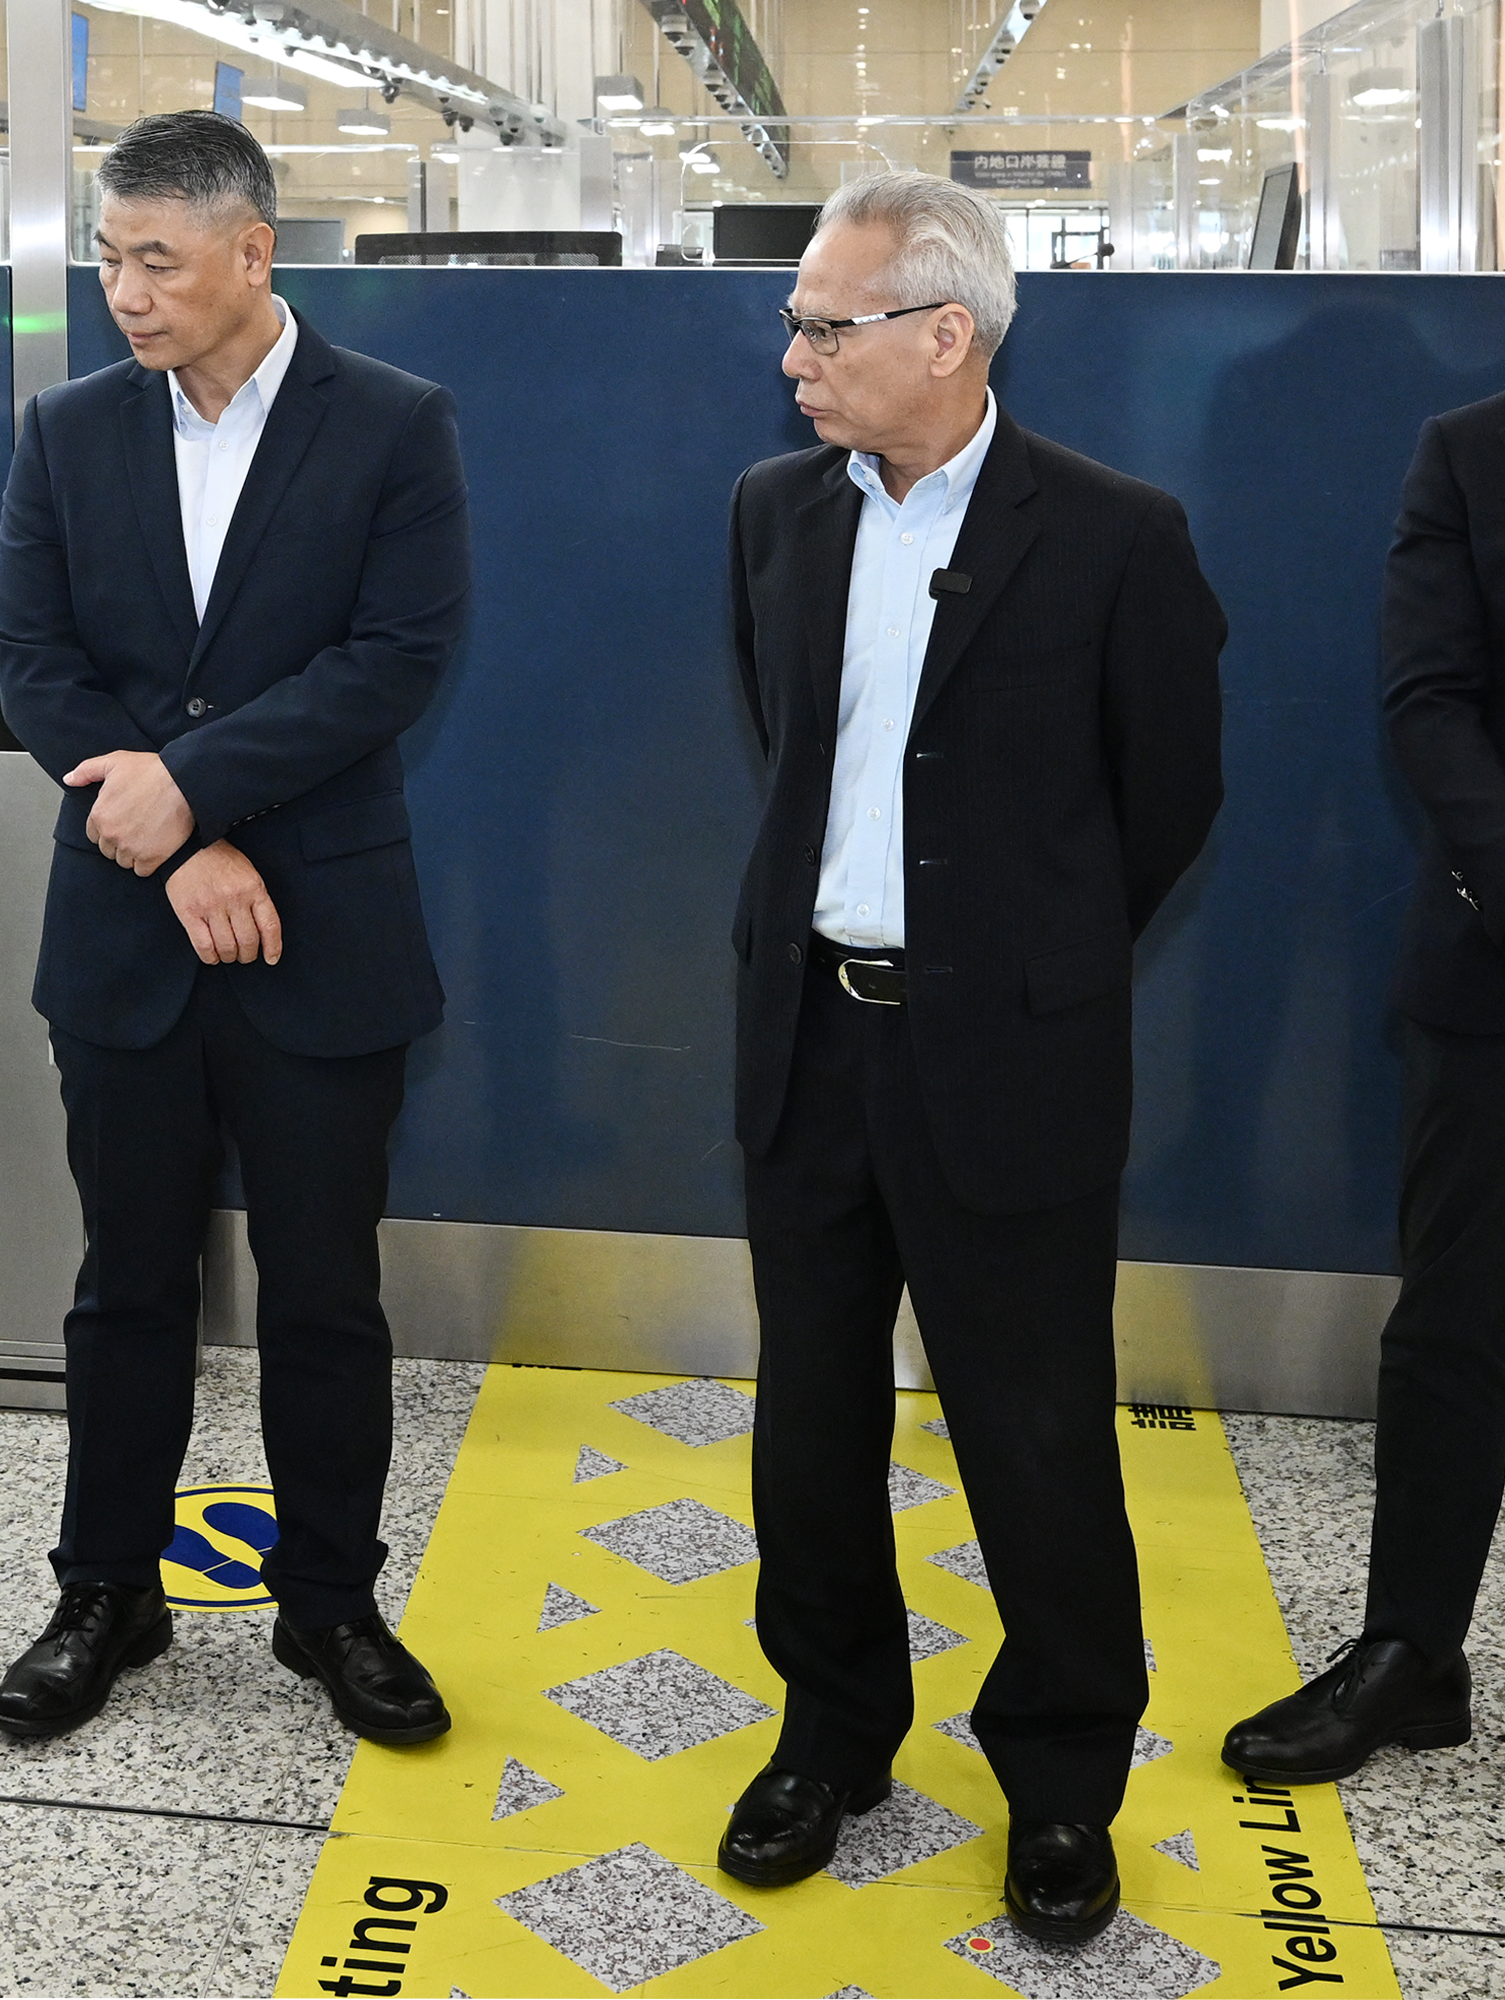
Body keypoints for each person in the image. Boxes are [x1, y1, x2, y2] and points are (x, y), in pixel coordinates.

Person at [718, 170, 1225, 1945]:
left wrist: (1019, 963)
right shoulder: (775, 514)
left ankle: (1063, 1779)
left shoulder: (1113, 536)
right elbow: (786, 744)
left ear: (949, 335)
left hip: (1007, 1061)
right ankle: (831, 1735)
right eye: (794, 323)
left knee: (1034, 1433)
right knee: (811, 1419)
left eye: (824, 326)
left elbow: (1167, 802)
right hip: (808, 1043)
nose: (793, 356)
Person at [0, 109, 470, 1746]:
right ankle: (105, 1593)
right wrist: (181, 844)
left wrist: (191, 791)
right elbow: (37, 662)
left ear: (253, 254)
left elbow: (393, 658)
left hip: (320, 930)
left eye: (157, 260)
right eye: (108, 259)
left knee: (324, 1290)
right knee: (126, 1282)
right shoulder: (67, 431)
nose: (124, 293)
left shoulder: (392, 423)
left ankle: (330, 1604)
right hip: (129, 931)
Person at [1222, 394, 1505, 1786]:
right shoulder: (1473, 450)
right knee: (1458, 1321)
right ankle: (1412, 1653)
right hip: (1499, 961)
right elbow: (1430, 697)